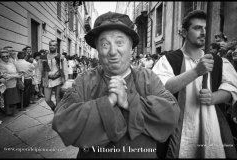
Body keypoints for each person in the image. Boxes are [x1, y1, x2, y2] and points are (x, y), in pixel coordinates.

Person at [52, 11, 180, 159]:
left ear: (131, 48)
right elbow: (63, 121)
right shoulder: (84, 80)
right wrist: (108, 102)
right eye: (105, 44)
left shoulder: (147, 78)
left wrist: (129, 102)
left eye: (120, 43)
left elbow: (171, 114)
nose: (113, 51)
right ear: (97, 51)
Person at [152, 10, 237, 158]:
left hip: (212, 127)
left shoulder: (218, 61)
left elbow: (232, 87)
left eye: (206, 28)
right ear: (184, 32)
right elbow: (161, 88)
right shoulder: (168, 60)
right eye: (197, 28)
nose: (203, 32)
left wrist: (214, 97)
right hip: (177, 129)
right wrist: (196, 71)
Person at [39, 40, 68, 111]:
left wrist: (65, 81)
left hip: (59, 80)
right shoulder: (42, 57)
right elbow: (39, 70)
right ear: (49, 46)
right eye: (51, 45)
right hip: (47, 80)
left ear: (57, 47)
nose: (52, 46)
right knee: (47, 99)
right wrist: (37, 82)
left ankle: (57, 114)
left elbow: (65, 70)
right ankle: (55, 109)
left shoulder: (61, 57)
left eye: (54, 45)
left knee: (58, 98)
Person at [0, 49, 22, 116]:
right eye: (3, 56)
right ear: (0, 57)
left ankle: (13, 112)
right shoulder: (0, 65)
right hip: (7, 84)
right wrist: (16, 76)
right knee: (8, 99)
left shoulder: (11, 63)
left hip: (14, 82)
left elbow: (15, 71)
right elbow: (4, 75)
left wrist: (17, 75)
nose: (6, 57)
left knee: (14, 98)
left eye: (7, 56)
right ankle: (8, 112)